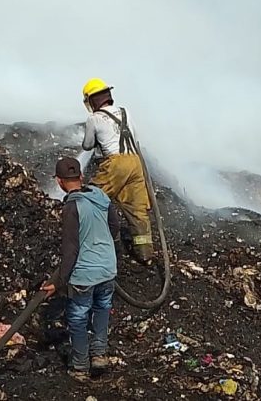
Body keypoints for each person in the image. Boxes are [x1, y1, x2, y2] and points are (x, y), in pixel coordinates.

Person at [41, 157, 120, 382]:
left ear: (59, 182)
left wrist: (57, 282)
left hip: (85, 273)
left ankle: (80, 366)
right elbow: (114, 226)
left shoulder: (71, 207)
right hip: (107, 268)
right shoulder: (101, 196)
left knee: (77, 316)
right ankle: (100, 355)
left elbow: (71, 251)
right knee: (102, 308)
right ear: (81, 177)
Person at [80, 77, 154, 263]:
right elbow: (135, 136)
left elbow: (88, 145)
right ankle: (145, 255)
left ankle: (87, 241)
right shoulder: (125, 111)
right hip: (135, 161)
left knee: (91, 198)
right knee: (137, 210)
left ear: (91, 100)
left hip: (115, 163)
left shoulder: (94, 118)